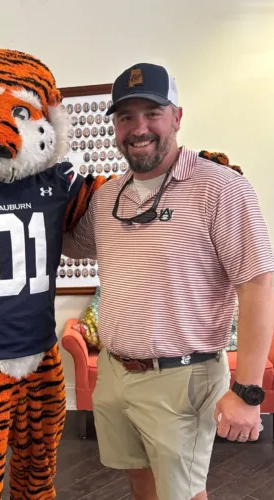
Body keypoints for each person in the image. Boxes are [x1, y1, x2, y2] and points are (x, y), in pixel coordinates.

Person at [63, 63, 274, 500]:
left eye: (152, 112)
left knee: (181, 494)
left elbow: (257, 285)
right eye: (125, 117)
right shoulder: (108, 198)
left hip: (183, 378)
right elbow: (69, 243)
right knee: (140, 484)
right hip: (116, 373)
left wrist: (248, 391)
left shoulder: (221, 188)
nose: (139, 128)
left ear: (176, 117)